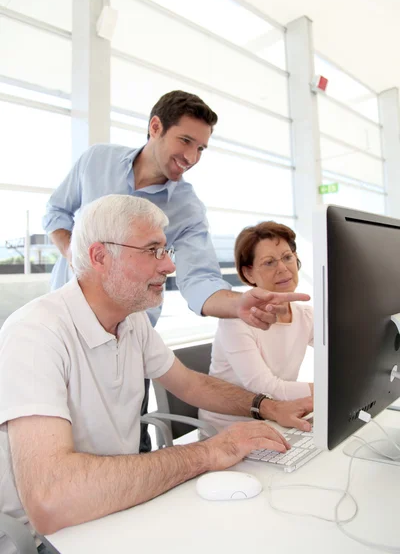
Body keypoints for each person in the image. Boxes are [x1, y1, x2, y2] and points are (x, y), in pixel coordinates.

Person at [0, 196, 313, 552]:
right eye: (153, 251)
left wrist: (267, 407)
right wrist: (210, 452)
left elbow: (192, 384)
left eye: (166, 251)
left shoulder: (131, 320)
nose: (169, 266)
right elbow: (50, 501)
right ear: (100, 257)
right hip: (48, 539)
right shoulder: (36, 332)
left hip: (117, 508)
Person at [42, 90, 309, 451]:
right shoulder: (96, 162)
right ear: (155, 127)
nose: (192, 157)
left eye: (201, 148)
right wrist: (77, 258)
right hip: (70, 324)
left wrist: (238, 305)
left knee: (128, 443)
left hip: (126, 337)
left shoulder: (186, 208)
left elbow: (197, 279)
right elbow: (56, 213)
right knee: (58, 437)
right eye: (186, 140)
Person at [199, 221, 314, 432]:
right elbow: (265, 388)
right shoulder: (236, 319)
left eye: (287, 257)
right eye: (269, 262)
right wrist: (323, 390)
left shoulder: (305, 314)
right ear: (249, 273)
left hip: (278, 421)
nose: (282, 268)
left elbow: (341, 350)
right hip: (229, 430)